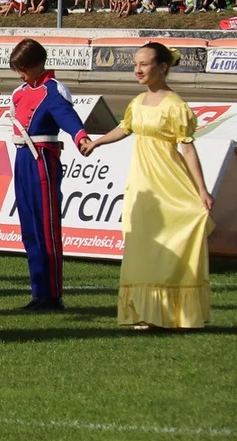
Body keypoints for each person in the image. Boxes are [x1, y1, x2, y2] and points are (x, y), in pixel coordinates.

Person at [81, 43, 213, 330]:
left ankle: (171, 314)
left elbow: (187, 149)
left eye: (144, 64)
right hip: (143, 185)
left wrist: (202, 190)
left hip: (170, 184)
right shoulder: (137, 103)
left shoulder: (176, 106)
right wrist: (96, 142)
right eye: (135, 65)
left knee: (170, 245)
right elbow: (125, 128)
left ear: (162, 67)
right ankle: (146, 312)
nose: (138, 70)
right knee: (142, 247)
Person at [7, 39, 89, 310]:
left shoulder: (53, 90)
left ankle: (52, 294)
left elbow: (67, 117)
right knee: (29, 227)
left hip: (42, 157)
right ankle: (38, 291)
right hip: (22, 158)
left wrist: (80, 137)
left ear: (38, 64)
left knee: (46, 227)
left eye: (24, 69)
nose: (21, 74)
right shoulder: (19, 92)